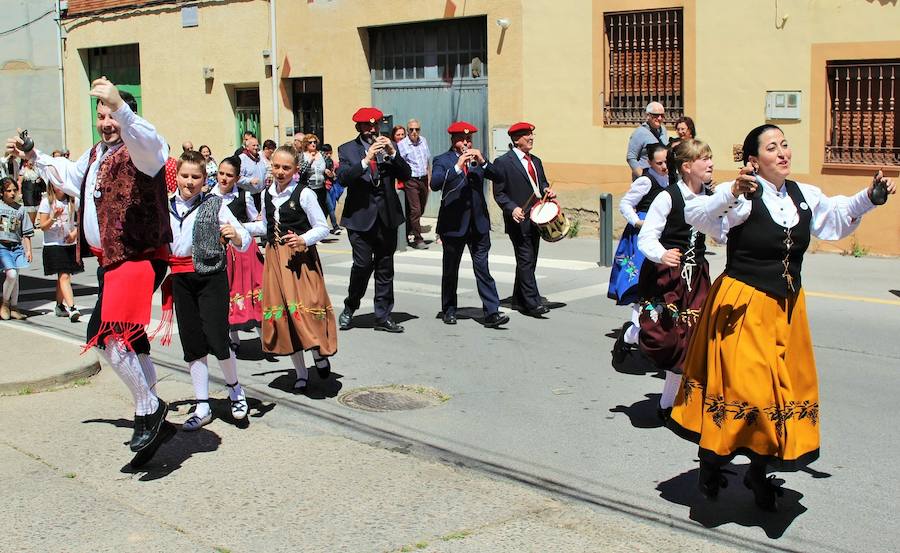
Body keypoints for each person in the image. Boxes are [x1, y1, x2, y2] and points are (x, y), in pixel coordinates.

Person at [668, 124, 895, 511]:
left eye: (785, 145)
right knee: (749, 394)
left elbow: (836, 215)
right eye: (772, 148)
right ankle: (712, 461)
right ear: (754, 160)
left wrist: (869, 198)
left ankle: (757, 473)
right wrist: (731, 191)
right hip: (743, 305)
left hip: (787, 309)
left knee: (782, 394)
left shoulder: (803, 195)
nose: (783, 152)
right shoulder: (742, 198)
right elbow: (696, 214)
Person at [12, 78, 175, 467]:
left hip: (136, 256)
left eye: (112, 115)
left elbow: (152, 146)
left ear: (125, 113)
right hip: (111, 261)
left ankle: (149, 407)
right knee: (132, 341)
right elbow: (70, 176)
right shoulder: (98, 154)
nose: (106, 122)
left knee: (104, 336)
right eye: (101, 115)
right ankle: (150, 412)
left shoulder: (140, 149)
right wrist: (34, 155)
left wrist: (122, 108)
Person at [154, 151, 251, 430]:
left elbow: (242, 235)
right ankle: (202, 403)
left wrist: (236, 235)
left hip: (210, 277)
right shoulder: (166, 205)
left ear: (204, 179)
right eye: (185, 175)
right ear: (177, 177)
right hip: (181, 279)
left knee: (218, 337)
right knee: (193, 342)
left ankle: (235, 390)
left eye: (196, 177)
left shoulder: (214, 205)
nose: (190, 181)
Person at [244, 146, 336, 392]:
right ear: (270, 167)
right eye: (276, 167)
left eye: (286, 168)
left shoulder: (304, 194)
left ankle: (318, 352)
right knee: (285, 316)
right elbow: (265, 226)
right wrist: (241, 227)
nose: (280, 172)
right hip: (275, 258)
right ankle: (301, 373)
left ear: (295, 169)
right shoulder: (266, 194)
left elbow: (323, 227)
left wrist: (304, 239)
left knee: (307, 309)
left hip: (300, 260)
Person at [636, 140, 715, 420]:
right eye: (703, 158)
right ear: (686, 167)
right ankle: (634, 332)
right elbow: (647, 237)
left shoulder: (712, 196)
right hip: (666, 275)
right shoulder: (668, 197)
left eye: (710, 157)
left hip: (697, 277)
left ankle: (666, 406)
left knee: (688, 343)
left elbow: (724, 230)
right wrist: (662, 254)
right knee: (666, 338)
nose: (710, 163)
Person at [336, 107, 412, 333]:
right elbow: (343, 179)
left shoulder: (390, 147)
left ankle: (383, 316)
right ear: (359, 127)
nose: (372, 129)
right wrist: (365, 160)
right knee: (362, 265)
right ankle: (350, 306)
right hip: (359, 218)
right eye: (368, 126)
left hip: (386, 216)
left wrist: (392, 153)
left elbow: (406, 174)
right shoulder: (347, 149)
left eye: (376, 125)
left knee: (385, 267)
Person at [431, 122, 509, 328]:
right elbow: (435, 183)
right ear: (453, 141)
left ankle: (492, 312)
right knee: (450, 270)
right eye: (462, 139)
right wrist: (458, 166)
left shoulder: (477, 161)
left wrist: (483, 162)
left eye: (469, 139)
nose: (466, 143)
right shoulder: (443, 160)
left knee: (482, 268)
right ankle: (449, 309)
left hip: (478, 224)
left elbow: (499, 176)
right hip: (453, 224)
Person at [609, 144, 670, 361]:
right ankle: (635, 333)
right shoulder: (646, 181)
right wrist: (637, 221)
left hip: (661, 234)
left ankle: (643, 333)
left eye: (666, 162)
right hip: (641, 235)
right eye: (659, 163)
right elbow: (626, 203)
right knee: (640, 284)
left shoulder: (671, 180)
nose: (664, 167)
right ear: (650, 163)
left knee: (657, 287)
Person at [489, 121, 556, 317]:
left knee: (529, 259)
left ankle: (519, 297)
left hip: (537, 217)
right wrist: (512, 208)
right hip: (518, 219)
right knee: (525, 258)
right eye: (527, 135)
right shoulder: (503, 162)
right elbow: (499, 193)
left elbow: (541, 182)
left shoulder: (536, 161)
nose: (531, 138)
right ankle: (531, 303)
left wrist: (546, 190)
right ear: (516, 139)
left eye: (532, 134)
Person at [211, 156, 264, 351]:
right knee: (227, 292)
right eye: (221, 173)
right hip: (222, 252)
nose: (224, 178)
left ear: (237, 177)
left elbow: (259, 223)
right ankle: (232, 337)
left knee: (254, 293)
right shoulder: (209, 196)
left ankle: (265, 337)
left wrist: (241, 228)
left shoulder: (244, 196)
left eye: (229, 175)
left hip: (244, 250)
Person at [37, 179, 84, 322]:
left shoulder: (72, 201)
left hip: (69, 243)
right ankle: (72, 307)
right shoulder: (47, 202)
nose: (60, 187)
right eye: (56, 184)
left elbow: (82, 218)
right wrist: (53, 217)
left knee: (63, 276)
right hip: (53, 244)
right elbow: (43, 226)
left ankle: (59, 305)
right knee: (64, 276)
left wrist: (75, 233)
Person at [0, 177, 33, 320]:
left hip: (17, 247)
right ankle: (5, 303)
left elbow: (26, 232)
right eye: (8, 191)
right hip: (3, 247)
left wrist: (28, 250)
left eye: (14, 190)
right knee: (11, 274)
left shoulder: (21, 209)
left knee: (16, 278)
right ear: (2, 193)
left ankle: (14, 307)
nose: (12, 193)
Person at [397, 118, 432, 249]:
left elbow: (427, 161)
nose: (414, 132)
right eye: (411, 129)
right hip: (410, 180)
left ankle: (406, 233)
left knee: (420, 209)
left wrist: (429, 180)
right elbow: (399, 165)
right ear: (407, 131)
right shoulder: (402, 144)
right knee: (415, 210)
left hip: (423, 179)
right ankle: (418, 239)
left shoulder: (423, 141)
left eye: (416, 129)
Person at [626, 102, 668, 180]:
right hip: (646, 179)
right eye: (656, 115)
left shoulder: (663, 130)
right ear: (648, 116)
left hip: (661, 178)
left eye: (662, 115)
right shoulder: (640, 133)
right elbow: (631, 157)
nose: (659, 118)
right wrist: (643, 177)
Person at [299, 133, 329, 216]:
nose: (313, 144)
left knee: (323, 209)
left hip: (321, 188)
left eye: (315, 142)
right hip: (309, 188)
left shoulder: (322, 154)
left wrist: (327, 170)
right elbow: (301, 171)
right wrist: (309, 161)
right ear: (306, 144)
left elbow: (329, 164)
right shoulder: (303, 155)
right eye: (310, 142)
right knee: (311, 211)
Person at [322, 143, 343, 235]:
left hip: (331, 187)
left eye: (330, 153)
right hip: (322, 187)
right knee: (329, 207)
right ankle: (335, 226)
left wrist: (333, 174)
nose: (328, 155)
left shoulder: (333, 163)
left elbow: (337, 174)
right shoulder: (320, 162)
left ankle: (324, 227)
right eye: (326, 153)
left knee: (329, 208)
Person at [17, 159, 44, 225]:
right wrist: (19, 193)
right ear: (26, 162)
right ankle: (29, 224)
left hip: (36, 192)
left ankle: (32, 223)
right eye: (30, 162)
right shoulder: (23, 171)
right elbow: (19, 182)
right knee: (30, 208)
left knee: (36, 208)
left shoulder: (36, 170)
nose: (32, 164)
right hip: (28, 192)